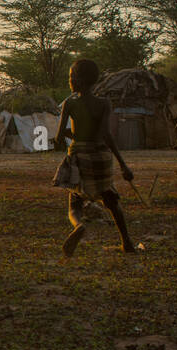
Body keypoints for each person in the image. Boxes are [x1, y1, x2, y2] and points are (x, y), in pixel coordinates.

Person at [54, 58, 136, 257]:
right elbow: (105, 135)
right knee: (111, 200)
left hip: (80, 156)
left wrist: (70, 136)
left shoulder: (69, 104)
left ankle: (79, 225)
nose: (69, 80)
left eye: (71, 77)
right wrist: (123, 165)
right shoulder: (104, 104)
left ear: (79, 80)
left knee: (74, 200)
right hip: (100, 157)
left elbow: (58, 138)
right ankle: (127, 243)